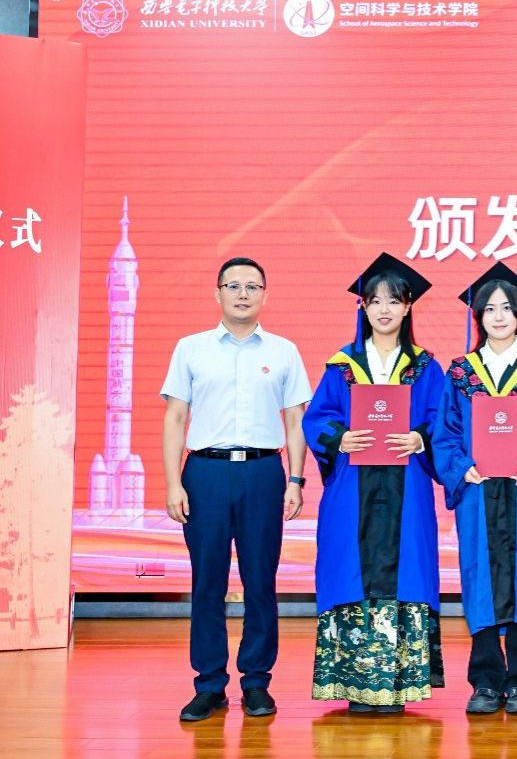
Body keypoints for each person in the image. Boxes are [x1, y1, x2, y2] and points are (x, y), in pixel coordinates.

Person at [161, 256, 311, 722]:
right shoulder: (191, 348)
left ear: (265, 294)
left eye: (252, 286)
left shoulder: (284, 351)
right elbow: (175, 418)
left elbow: (295, 421)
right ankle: (209, 685)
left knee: (260, 582)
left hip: (264, 473)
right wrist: (173, 482)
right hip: (204, 473)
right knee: (207, 581)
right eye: (233, 285)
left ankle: (256, 683)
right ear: (218, 293)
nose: (242, 293)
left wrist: (296, 479)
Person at [303, 253, 447, 713]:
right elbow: (317, 418)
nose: (384, 309)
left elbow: (444, 420)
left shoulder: (426, 367)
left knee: (408, 569)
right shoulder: (342, 366)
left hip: (408, 484)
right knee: (349, 568)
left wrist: (420, 438)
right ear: (363, 307)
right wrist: (339, 437)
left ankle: (400, 686)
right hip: (353, 487)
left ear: (408, 307)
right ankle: (354, 686)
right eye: (375, 300)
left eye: (394, 300)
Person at [431, 261, 517, 715]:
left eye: (507, 308)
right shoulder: (461, 373)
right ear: (479, 316)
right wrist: (461, 468)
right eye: (490, 309)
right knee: (479, 577)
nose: (499, 316)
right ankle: (486, 682)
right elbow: (445, 432)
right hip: (478, 489)